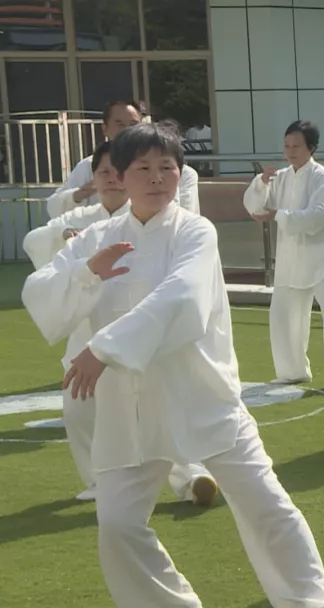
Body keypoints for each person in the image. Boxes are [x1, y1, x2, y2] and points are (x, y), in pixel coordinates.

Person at [21, 123, 324, 608]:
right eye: (143, 168)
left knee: (267, 505)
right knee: (119, 525)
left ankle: (310, 603)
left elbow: (182, 296)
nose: (156, 177)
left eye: (166, 167)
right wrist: (87, 272)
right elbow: (40, 293)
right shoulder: (97, 238)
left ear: (180, 173)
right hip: (129, 407)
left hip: (201, 393)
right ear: (119, 177)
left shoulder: (195, 231)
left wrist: (103, 349)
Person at [23, 140, 218, 505]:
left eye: (118, 172)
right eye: (105, 173)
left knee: (167, 406)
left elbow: (182, 290)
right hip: (91, 336)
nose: (112, 179)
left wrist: (107, 347)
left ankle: (191, 475)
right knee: (83, 409)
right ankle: (100, 481)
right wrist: (80, 261)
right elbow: (38, 265)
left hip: (152, 335)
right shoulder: (84, 224)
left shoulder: (176, 223)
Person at [243, 120, 324, 390]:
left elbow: (318, 215)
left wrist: (279, 215)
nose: (290, 151)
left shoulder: (321, 177)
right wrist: (261, 183)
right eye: (287, 145)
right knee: (284, 314)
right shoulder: (280, 177)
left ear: (311, 148)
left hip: (323, 255)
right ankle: (292, 370)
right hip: (290, 257)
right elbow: (255, 207)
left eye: (296, 146)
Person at [46, 101, 200, 217]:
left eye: (133, 124)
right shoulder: (89, 166)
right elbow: (54, 209)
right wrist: (81, 194)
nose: (127, 130)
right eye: (119, 124)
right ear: (105, 129)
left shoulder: (184, 173)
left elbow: (187, 217)